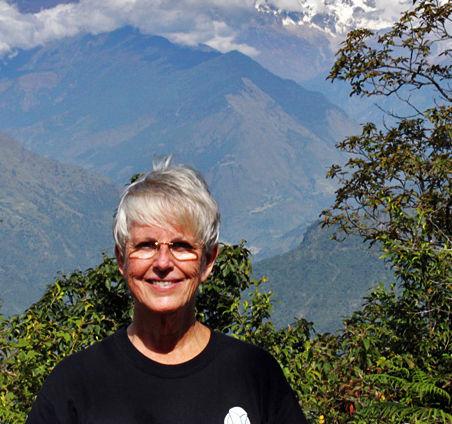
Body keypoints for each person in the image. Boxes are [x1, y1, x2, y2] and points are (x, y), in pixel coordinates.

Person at [26, 157, 307, 423]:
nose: (163, 263)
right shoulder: (74, 385)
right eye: (146, 245)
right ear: (121, 260)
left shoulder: (256, 376)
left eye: (182, 246)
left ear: (208, 262)